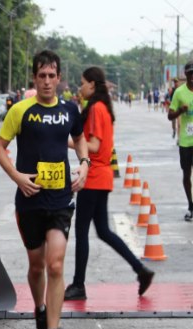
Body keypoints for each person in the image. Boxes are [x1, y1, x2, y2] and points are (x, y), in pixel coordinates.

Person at [0, 50, 89, 329]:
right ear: (34, 78)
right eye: (42, 75)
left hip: (61, 199)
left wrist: (84, 164)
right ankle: (40, 309)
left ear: (59, 78)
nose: (47, 81)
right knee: (37, 266)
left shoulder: (70, 109)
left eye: (52, 75)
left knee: (56, 265)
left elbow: (80, 138)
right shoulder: (20, 110)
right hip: (30, 200)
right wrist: (17, 176)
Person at [64, 66, 155, 301]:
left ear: (92, 84)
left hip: (94, 177)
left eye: (82, 83)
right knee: (103, 231)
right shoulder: (102, 107)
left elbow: (93, 146)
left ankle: (78, 285)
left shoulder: (95, 108)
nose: (80, 87)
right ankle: (141, 270)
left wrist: (67, 142)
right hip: (102, 177)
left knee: (82, 232)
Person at [168, 61, 193, 221]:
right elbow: (170, 115)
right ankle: (191, 206)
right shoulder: (179, 92)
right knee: (187, 174)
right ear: (186, 75)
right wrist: (180, 111)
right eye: (190, 74)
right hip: (185, 141)